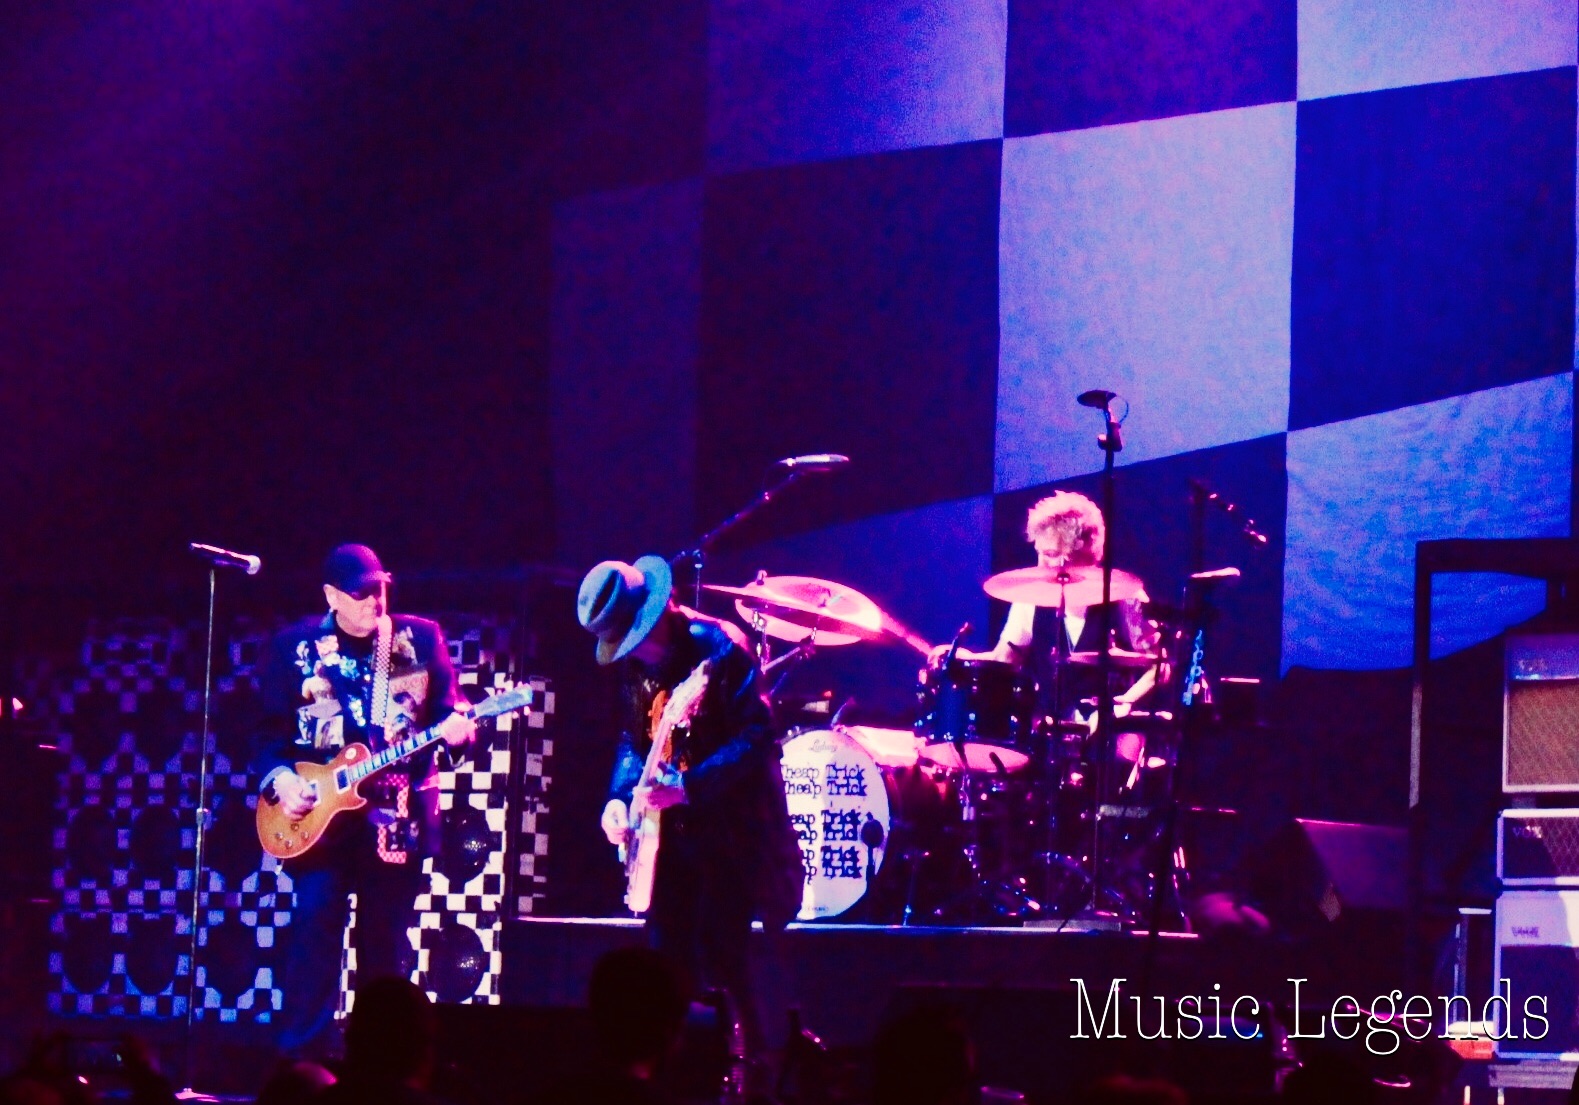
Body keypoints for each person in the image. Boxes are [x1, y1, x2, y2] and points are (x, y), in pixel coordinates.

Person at [577, 556, 802, 1078]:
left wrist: (689, 786)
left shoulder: (718, 648)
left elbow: (759, 736)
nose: (635, 653)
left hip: (730, 836)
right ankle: (677, 1075)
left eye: (636, 640)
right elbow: (632, 738)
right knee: (666, 966)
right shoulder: (638, 665)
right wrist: (618, 798)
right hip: (667, 841)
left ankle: (749, 1073)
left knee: (725, 962)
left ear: (658, 614)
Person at [255, 544, 475, 1058]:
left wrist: (461, 733)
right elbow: (267, 736)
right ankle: (303, 1064)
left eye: (380, 589)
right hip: (319, 823)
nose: (375, 601)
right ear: (331, 596)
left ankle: (382, 1065)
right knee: (313, 935)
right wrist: (282, 780)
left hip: (395, 820)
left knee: (385, 949)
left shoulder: (419, 639)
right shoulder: (294, 648)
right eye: (361, 594)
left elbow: (449, 714)